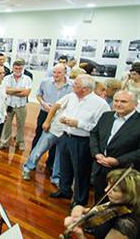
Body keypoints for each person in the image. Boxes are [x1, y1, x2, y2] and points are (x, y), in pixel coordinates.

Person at [50, 75, 110, 207]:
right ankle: (65, 190)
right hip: (66, 136)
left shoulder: (100, 104)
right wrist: (64, 120)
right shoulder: (72, 97)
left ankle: (79, 200)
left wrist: (79, 124)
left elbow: (100, 127)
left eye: (76, 84)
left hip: (82, 141)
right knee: (65, 167)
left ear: (85, 88)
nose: (72, 85)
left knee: (80, 172)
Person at [90, 90, 140, 202]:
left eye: (124, 101)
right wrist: (96, 153)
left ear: (135, 104)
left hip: (124, 173)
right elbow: (94, 134)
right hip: (100, 168)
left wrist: (118, 161)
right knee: (99, 200)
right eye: (116, 101)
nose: (118, 104)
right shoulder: (106, 116)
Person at [63, 168, 139, 239]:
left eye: (114, 190)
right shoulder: (115, 204)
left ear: (129, 195)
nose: (106, 190)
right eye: (108, 185)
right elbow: (88, 210)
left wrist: (80, 236)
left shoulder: (126, 224)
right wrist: (78, 208)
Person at [29, 64, 72, 172]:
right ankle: (32, 161)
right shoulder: (45, 82)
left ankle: (50, 164)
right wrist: (43, 103)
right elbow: (38, 95)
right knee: (39, 136)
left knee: (56, 139)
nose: (56, 75)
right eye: (54, 72)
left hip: (60, 117)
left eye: (59, 73)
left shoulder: (71, 86)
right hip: (45, 113)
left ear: (65, 73)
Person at [0, 60, 32, 151]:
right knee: (6, 125)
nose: (18, 70)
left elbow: (26, 93)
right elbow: (5, 90)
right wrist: (20, 90)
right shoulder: (7, 78)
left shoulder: (27, 79)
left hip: (21, 106)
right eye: (16, 68)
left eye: (20, 68)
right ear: (12, 68)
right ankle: (4, 142)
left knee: (21, 125)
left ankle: (20, 142)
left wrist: (12, 91)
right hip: (9, 105)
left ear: (23, 68)